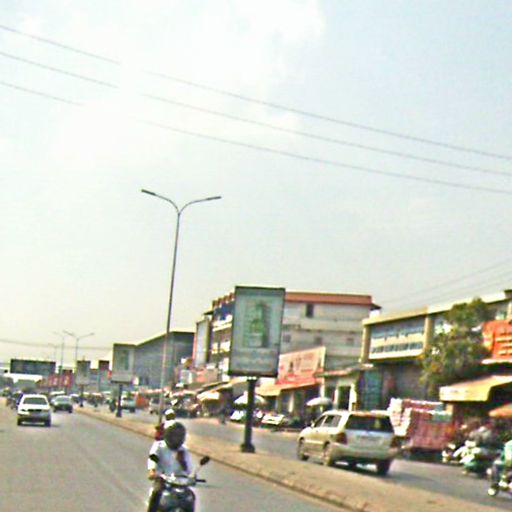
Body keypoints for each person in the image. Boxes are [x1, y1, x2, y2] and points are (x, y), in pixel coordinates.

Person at [146, 422, 193, 512]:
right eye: (174, 435)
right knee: (156, 492)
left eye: (178, 436)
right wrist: (152, 471)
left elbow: (189, 470)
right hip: (163, 479)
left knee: (190, 497)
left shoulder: (183, 450)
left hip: (179, 482)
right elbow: (153, 458)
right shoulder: (159, 446)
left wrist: (182, 462)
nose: (176, 438)